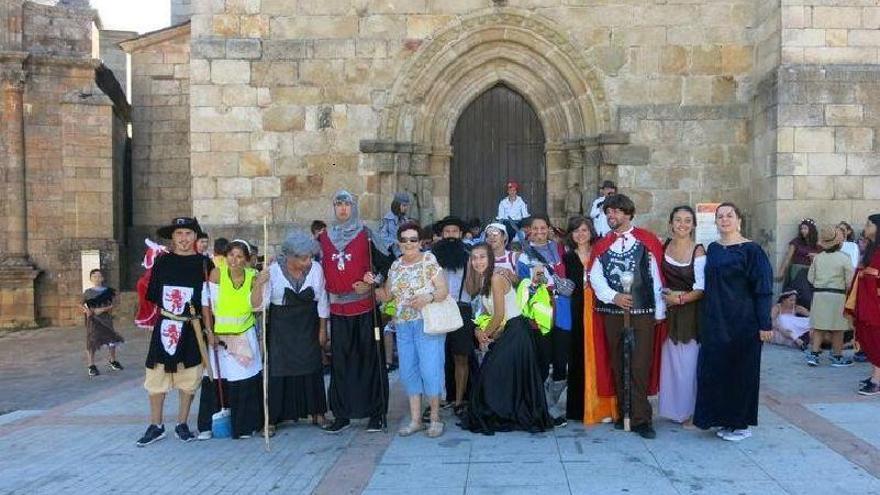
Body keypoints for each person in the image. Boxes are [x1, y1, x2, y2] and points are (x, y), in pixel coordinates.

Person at [588, 194, 666, 439]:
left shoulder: (647, 240)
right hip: (613, 313)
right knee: (618, 362)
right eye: (608, 212)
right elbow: (595, 277)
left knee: (639, 364)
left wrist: (659, 311)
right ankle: (624, 414)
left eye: (616, 212)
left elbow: (655, 277)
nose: (611, 216)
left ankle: (641, 418)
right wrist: (614, 297)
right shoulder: (602, 245)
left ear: (629, 214)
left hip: (642, 312)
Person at [694, 203, 773, 442]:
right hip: (716, 320)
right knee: (717, 370)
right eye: (720, 216)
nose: (725, 220)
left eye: (730, 215)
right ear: (715, 222)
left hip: (744, 322)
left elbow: (763, 289)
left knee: (741, 373)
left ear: (739, 220)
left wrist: (765, 324)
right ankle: (723, 419)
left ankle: (740, 424)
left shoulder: (752, 250)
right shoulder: (714, 249)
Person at [318, 190, 391, 433]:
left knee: (370, 361)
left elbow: (386, 265)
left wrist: (372, 281)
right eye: (338, 204)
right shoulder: (324, 238)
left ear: (354, 207)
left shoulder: (367, 234)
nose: (342, 209)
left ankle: (376, 413)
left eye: (347, 204)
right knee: (341, 364)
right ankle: (342, 414)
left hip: (365, 308)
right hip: (339, 310)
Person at [460, 243, 553, 434]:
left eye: (482, 257)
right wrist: (479, 329)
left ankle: (503, 414)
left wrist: (484, 335)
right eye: (474, 257)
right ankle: (505, 413)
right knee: (494, 375)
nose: (478, 261)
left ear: (490, 258)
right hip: (507, 332)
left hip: (516, 332)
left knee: (492, 374)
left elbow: (500, 314)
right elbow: (487, 311)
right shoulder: (484, 280)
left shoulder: (495, 278)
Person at [137, 217, 213, 447]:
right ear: (172, 237)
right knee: (157, 374)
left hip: (191, 328)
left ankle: (182, 423)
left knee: (189, 376)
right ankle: (156, 424)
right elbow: (153, 293)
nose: (183, 239)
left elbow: (212, 298)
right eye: (179, 234)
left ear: (195, 237)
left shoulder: (204, 264)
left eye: (188, 234)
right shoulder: (162, 262)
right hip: (166, 325)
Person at [372, 222, 449, 438]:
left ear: (420, 241)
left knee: (430, 370)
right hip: (403, 325)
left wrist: (428, 297)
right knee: (408, 371)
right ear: (398, 243)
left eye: (413, 239)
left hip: (427, 323)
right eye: (404, 240)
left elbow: (443, 290)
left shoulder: (428, 260)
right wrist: (373, 286)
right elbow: (388, 295)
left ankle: (434, 418)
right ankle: (415, 420)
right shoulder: (395, 266)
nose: (409, 243)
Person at [252, 229, 329, 434]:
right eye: (303, 258)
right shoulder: (274, 271)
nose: (307, 262)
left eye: (309, 257)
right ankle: (272, 418)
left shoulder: (316, 270)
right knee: (278, 369)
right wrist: (259, 283)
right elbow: (258, 306)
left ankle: (318, 412)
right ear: (290, 257)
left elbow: (322, 300)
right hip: (281, 327)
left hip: (307, 323)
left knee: (312, 367)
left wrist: (323, 329)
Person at [197, 240, 263, 440]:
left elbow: (257, 305)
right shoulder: (217, 273)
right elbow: (206, 304)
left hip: (243, 334)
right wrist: (209, 331)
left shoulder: (254, 276)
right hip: (220, 337)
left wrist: (260, 284)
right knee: (216, 379)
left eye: (239, 256)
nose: (234, 260)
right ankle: (209, 425)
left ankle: (244, 426)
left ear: (247, 259)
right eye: (231, 255)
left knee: (243, 380)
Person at [562, 216, 617, 424]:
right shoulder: (567, 258)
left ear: (591, 232)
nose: (580, 234)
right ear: (570, 234)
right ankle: (578, 408)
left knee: (601, 355)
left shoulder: (600, 254)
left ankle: (603, 407)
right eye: (576, 231)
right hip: (577, 311)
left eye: (584, 230)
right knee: (577, 355)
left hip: (598, 309)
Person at [516, 214, 571, 421]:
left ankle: (552, 401)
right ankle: (544, 406)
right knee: (543, 357)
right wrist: (534, 284)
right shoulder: (524, 256)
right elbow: (521, 286)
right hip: (540, 308)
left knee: (561, 359)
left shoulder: (560, 249)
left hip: (563, 308)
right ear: (529, 230)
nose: (539, 232)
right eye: (535, 228)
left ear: (549, 228)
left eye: (543, 228)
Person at [657, 206, 705, 426]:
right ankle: (674, 410)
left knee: (688, 364)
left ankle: (691, 411)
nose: (682, 225)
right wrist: (666, 296)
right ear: (671, 224)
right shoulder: (663, 246)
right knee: (671, 363)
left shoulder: (699, 251)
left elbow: (701, 288)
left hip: (689, 312)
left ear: (693, 225)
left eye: (687, 221)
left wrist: (680, 299)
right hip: (667, 312)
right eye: (678, 220)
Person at [431, 216, 474, 416]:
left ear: (460, 234)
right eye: (446, 232)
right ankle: (436, 400)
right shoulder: (431, 257)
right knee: (435, 357)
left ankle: (459, 400)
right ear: (441, 234)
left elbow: (474, 288)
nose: (450, 236)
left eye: (454, 232)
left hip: (461, 309)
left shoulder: (469, 256)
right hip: (436, 309)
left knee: (461, 356)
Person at [806, 226, 855, 367]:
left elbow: (810, 278)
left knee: (819, 326)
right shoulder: (844, 258)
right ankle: (837, 356)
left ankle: (814, 355)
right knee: (837, 328)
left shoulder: (818, 258)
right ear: (838, 243)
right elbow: (849, 281)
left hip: (819, 295)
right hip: (837, 296)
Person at [848, 214, 880, 395]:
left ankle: (877, 380)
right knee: (869, 337)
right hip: (867, 302)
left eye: (869, 224)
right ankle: (876, 375)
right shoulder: (871, 249)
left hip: (876, 304)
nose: (865, 227)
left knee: (876, 339)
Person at [82, 268, 124, 377]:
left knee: (111, 340)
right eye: (94, 276)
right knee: (91, 342)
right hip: (93, 321)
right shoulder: (87, 292)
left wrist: (103, 309)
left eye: (99, 276)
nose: (97, 278)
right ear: (91, 279)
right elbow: (81, 304)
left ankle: (113, 360)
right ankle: (91, 365)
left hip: (106, 320)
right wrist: (87, 311)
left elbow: (114, 304)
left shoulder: (109, 291)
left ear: (103, 278)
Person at [777, 218, 820, 291]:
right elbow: (788, 258)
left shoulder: (817, 244)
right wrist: (781, 272)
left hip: (810, 272)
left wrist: (816, 256)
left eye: (805, 228)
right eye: (801, 228)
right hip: (797, 271)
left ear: (811, 229)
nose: (802, 230)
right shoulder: (796, 242)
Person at [379, 192, 412, 258]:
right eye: (404, 205)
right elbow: (381, 237)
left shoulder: (405, 220)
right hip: (391, 254)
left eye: (406, 206)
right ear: (397, 205)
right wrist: (396, 242)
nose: (406, 208)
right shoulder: (387, 219)